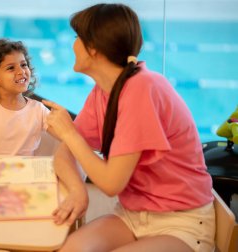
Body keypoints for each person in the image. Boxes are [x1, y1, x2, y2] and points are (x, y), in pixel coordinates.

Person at [42, 3, 215, 252]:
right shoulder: (104, 91)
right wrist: (79, 191)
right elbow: (63, 155)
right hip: (131, 216)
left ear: (94, 49)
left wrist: (69, 132)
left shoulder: (142, 88)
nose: (73, 44)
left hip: (181, 222)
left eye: (77, 37)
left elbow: (112, 184)